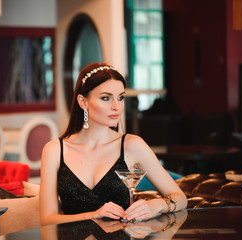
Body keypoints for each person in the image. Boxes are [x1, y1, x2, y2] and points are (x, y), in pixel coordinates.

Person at [39, 63, 187, 226]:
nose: (116, 107)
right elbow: (47, 219)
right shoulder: (54, 150)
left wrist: (157, 205)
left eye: (121, 97)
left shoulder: (132, 145)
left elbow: (180, 198)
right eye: (106, 98)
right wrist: (93, 215)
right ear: (83, 101)